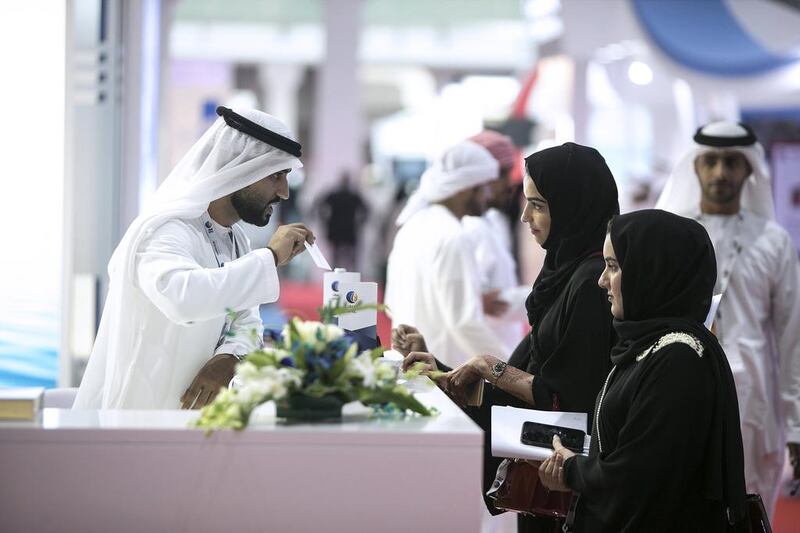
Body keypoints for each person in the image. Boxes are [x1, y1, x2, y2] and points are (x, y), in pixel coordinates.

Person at [396, 142, 619, 533]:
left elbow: (565, 398)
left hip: (568, 483)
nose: (524, 216)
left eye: (538, 205)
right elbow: (535, 369)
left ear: (571, 205)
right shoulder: (566, 271)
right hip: (549, 474)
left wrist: (487, 365)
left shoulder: (590, 283)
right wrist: (444, 370)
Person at [73, 106, 315, 410]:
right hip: (139, 417)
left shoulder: (234, 237)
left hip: (198, 421)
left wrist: (229, 359)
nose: (284, 193)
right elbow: (182, 298)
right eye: (276, 176)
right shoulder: (165, 230)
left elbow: (247, 320)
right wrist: (270, 256)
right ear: (242, 170)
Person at [538, 209, 747, 533]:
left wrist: (572, 470)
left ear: (651, 272)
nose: (601, 280)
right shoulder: (646, 346)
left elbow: (638, 476)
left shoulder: (679, 359)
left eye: (613, 266)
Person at [655, 121, 800, 514]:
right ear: (695, 167)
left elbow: (792, 338)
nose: (721, 172)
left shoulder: (773, 241)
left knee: (750, 509)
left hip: (752, 398)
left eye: (733, 162)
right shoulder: (668, 233)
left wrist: (796, 424)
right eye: (712, 161)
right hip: (678, 392)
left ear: (750, 169)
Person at [385, 140, 507, 368]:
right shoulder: (453, 236)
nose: (489, 196)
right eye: (485, 188)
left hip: (411, 365)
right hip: (444, 368)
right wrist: (512, 368)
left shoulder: (413, 226)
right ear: (464, 189)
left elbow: (391, 302)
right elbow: (464, 323)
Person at [462, 130, 529, 356]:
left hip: (501, 346)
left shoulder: (493, 220)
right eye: (502, 174)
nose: (509, 183)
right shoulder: (471, 228)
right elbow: (479, 302)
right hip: (484, 354)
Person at [318, 172, 368, 271]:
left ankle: (337, 275)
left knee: (340, 257)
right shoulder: (351, 196)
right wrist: (360, 223)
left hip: (340, 228)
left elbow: (319, 207)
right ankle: (350, 275)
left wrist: (325, 221)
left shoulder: (337, 195)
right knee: (342, 257)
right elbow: (366, 210)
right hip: (347, 229)